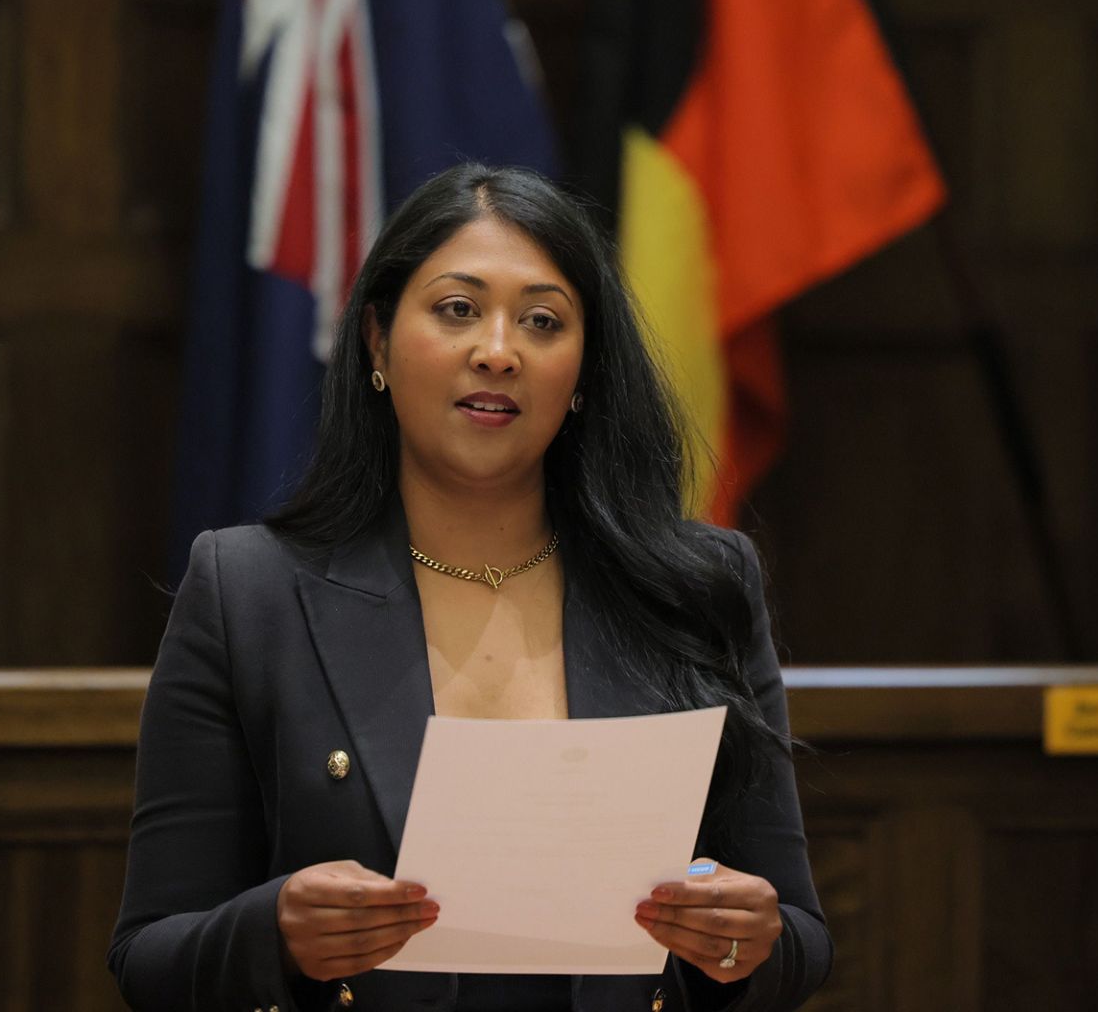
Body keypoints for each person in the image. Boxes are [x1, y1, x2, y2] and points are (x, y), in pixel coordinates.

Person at [108, 164, 831, 1011]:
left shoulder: (698, 587)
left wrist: (743, 941)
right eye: (457, 310)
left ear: (585, 369)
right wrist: (274, 933)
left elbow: (799, 937)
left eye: (542, 321)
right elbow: (149, 954)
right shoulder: (249, 591)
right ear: (376, 342)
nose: (498, 350)